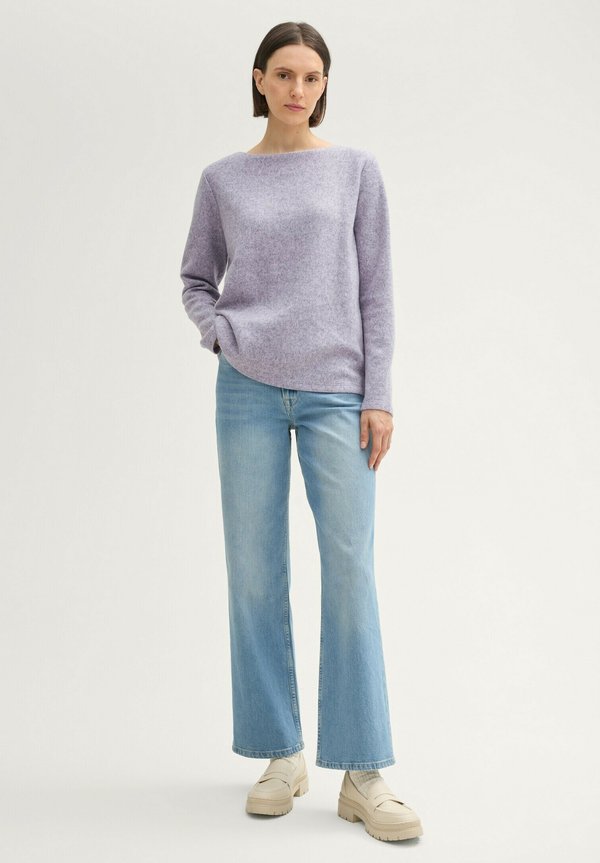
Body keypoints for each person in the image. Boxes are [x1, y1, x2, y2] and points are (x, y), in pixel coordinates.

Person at [179, 20, 423, 843]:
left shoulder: (354, 171)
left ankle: (364, 772)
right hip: (245, 390)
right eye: (283, 74)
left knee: (350, 571)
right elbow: (195, 276)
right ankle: (280, 754)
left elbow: (377, 289)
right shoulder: (223, 179)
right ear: (259, 80)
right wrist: (220, 333)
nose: (297, 89)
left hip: (337, 394)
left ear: (324, 85)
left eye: (311, 77)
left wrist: (378, 394)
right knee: (254, 572)